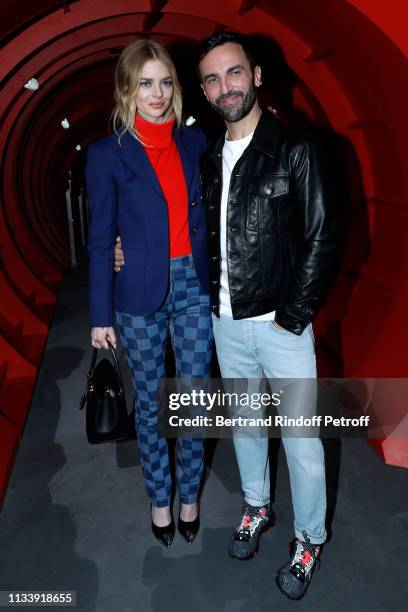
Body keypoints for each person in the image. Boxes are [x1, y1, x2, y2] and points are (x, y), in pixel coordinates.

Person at [115, 32, 338, 599]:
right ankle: (257, 507)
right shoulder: (208, 155)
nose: (223, 87)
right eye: (211, 79)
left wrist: (293, 315)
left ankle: (309, 538)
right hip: (223, 321)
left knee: (302, 440)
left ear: (257, 76)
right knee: (244, 426)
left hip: (281, 323)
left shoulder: (294, 149)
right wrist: (126, 246)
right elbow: (172, 219)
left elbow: (323, 238)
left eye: (233, 73)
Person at [86, 39, 213, 549]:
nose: (157, 93)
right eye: (145, 83)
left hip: (193, 285)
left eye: (165, 82)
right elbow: (99, 241)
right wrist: (99, 314)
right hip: (136, 291)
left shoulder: (195, 142)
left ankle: (190, 498)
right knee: (151, 405)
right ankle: (160, 499)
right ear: (126, 89)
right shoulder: (105, 154)